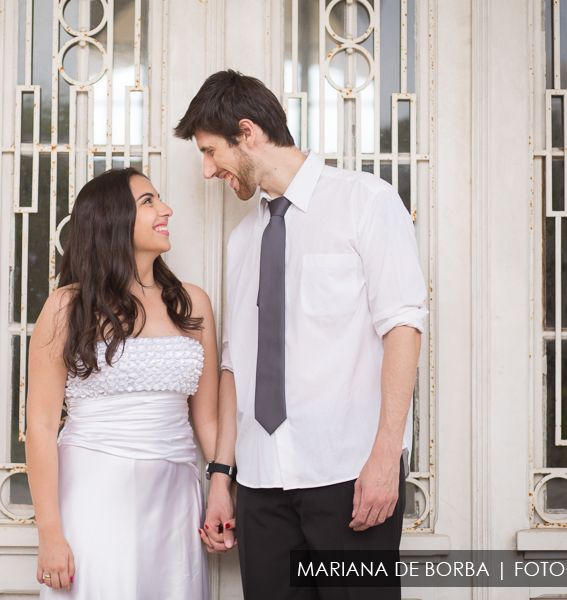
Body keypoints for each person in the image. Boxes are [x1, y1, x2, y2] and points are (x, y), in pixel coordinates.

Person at [175, 70, 428, 600]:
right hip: (263, 484)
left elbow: (402, 327)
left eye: (210, 151)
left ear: (247, 133)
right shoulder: (243, 239)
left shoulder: (366, 201)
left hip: (347, 475)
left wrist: (387, 457)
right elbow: (235, 364)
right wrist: (222, 475)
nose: (206, 170)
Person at [25, 168, 219, 599]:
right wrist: (50, 534)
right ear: (111, 219)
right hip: (93, 496)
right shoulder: (66, 307)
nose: (165, 210)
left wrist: (225, 488)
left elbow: (207, 421)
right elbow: (39, 427)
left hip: (175, 501)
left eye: (159, 199)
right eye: (148, 201)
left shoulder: (192, 303)